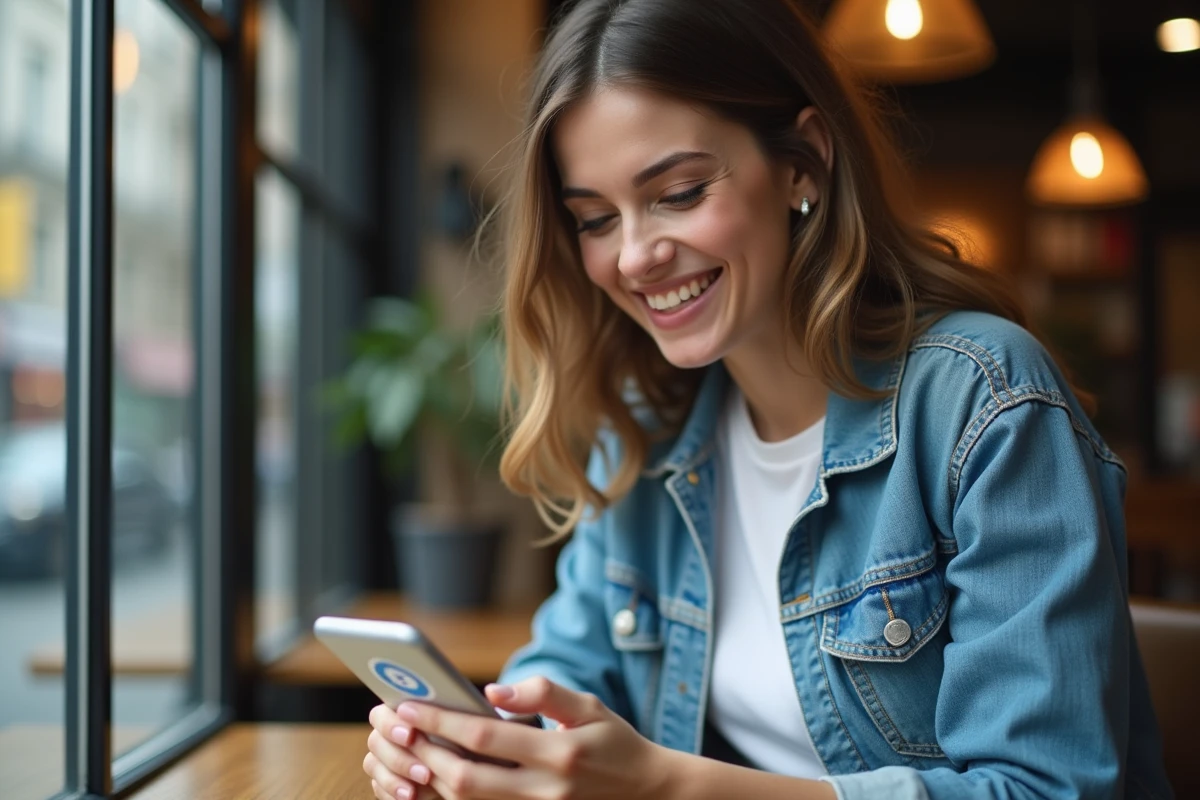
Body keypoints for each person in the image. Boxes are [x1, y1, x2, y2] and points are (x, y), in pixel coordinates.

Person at [363, 0, 1172, 798]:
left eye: (678, 193)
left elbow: (1044, 789)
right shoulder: (644, 429)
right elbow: (569, 671)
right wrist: (478, 747)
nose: (636, 255)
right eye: (595, 218)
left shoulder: (983, 401)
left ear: (801, 165)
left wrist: (668, 788)